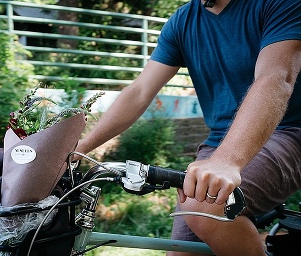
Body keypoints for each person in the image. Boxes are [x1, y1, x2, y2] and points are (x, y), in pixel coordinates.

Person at [74, 1, 301, 255]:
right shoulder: (183, 21)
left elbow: (276, 77)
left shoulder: (279, 4)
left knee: (206, 207)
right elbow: (139, 91)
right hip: (219, 145)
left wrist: (226, 161)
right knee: (183, 250)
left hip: (288, 132)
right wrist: (81, 148)